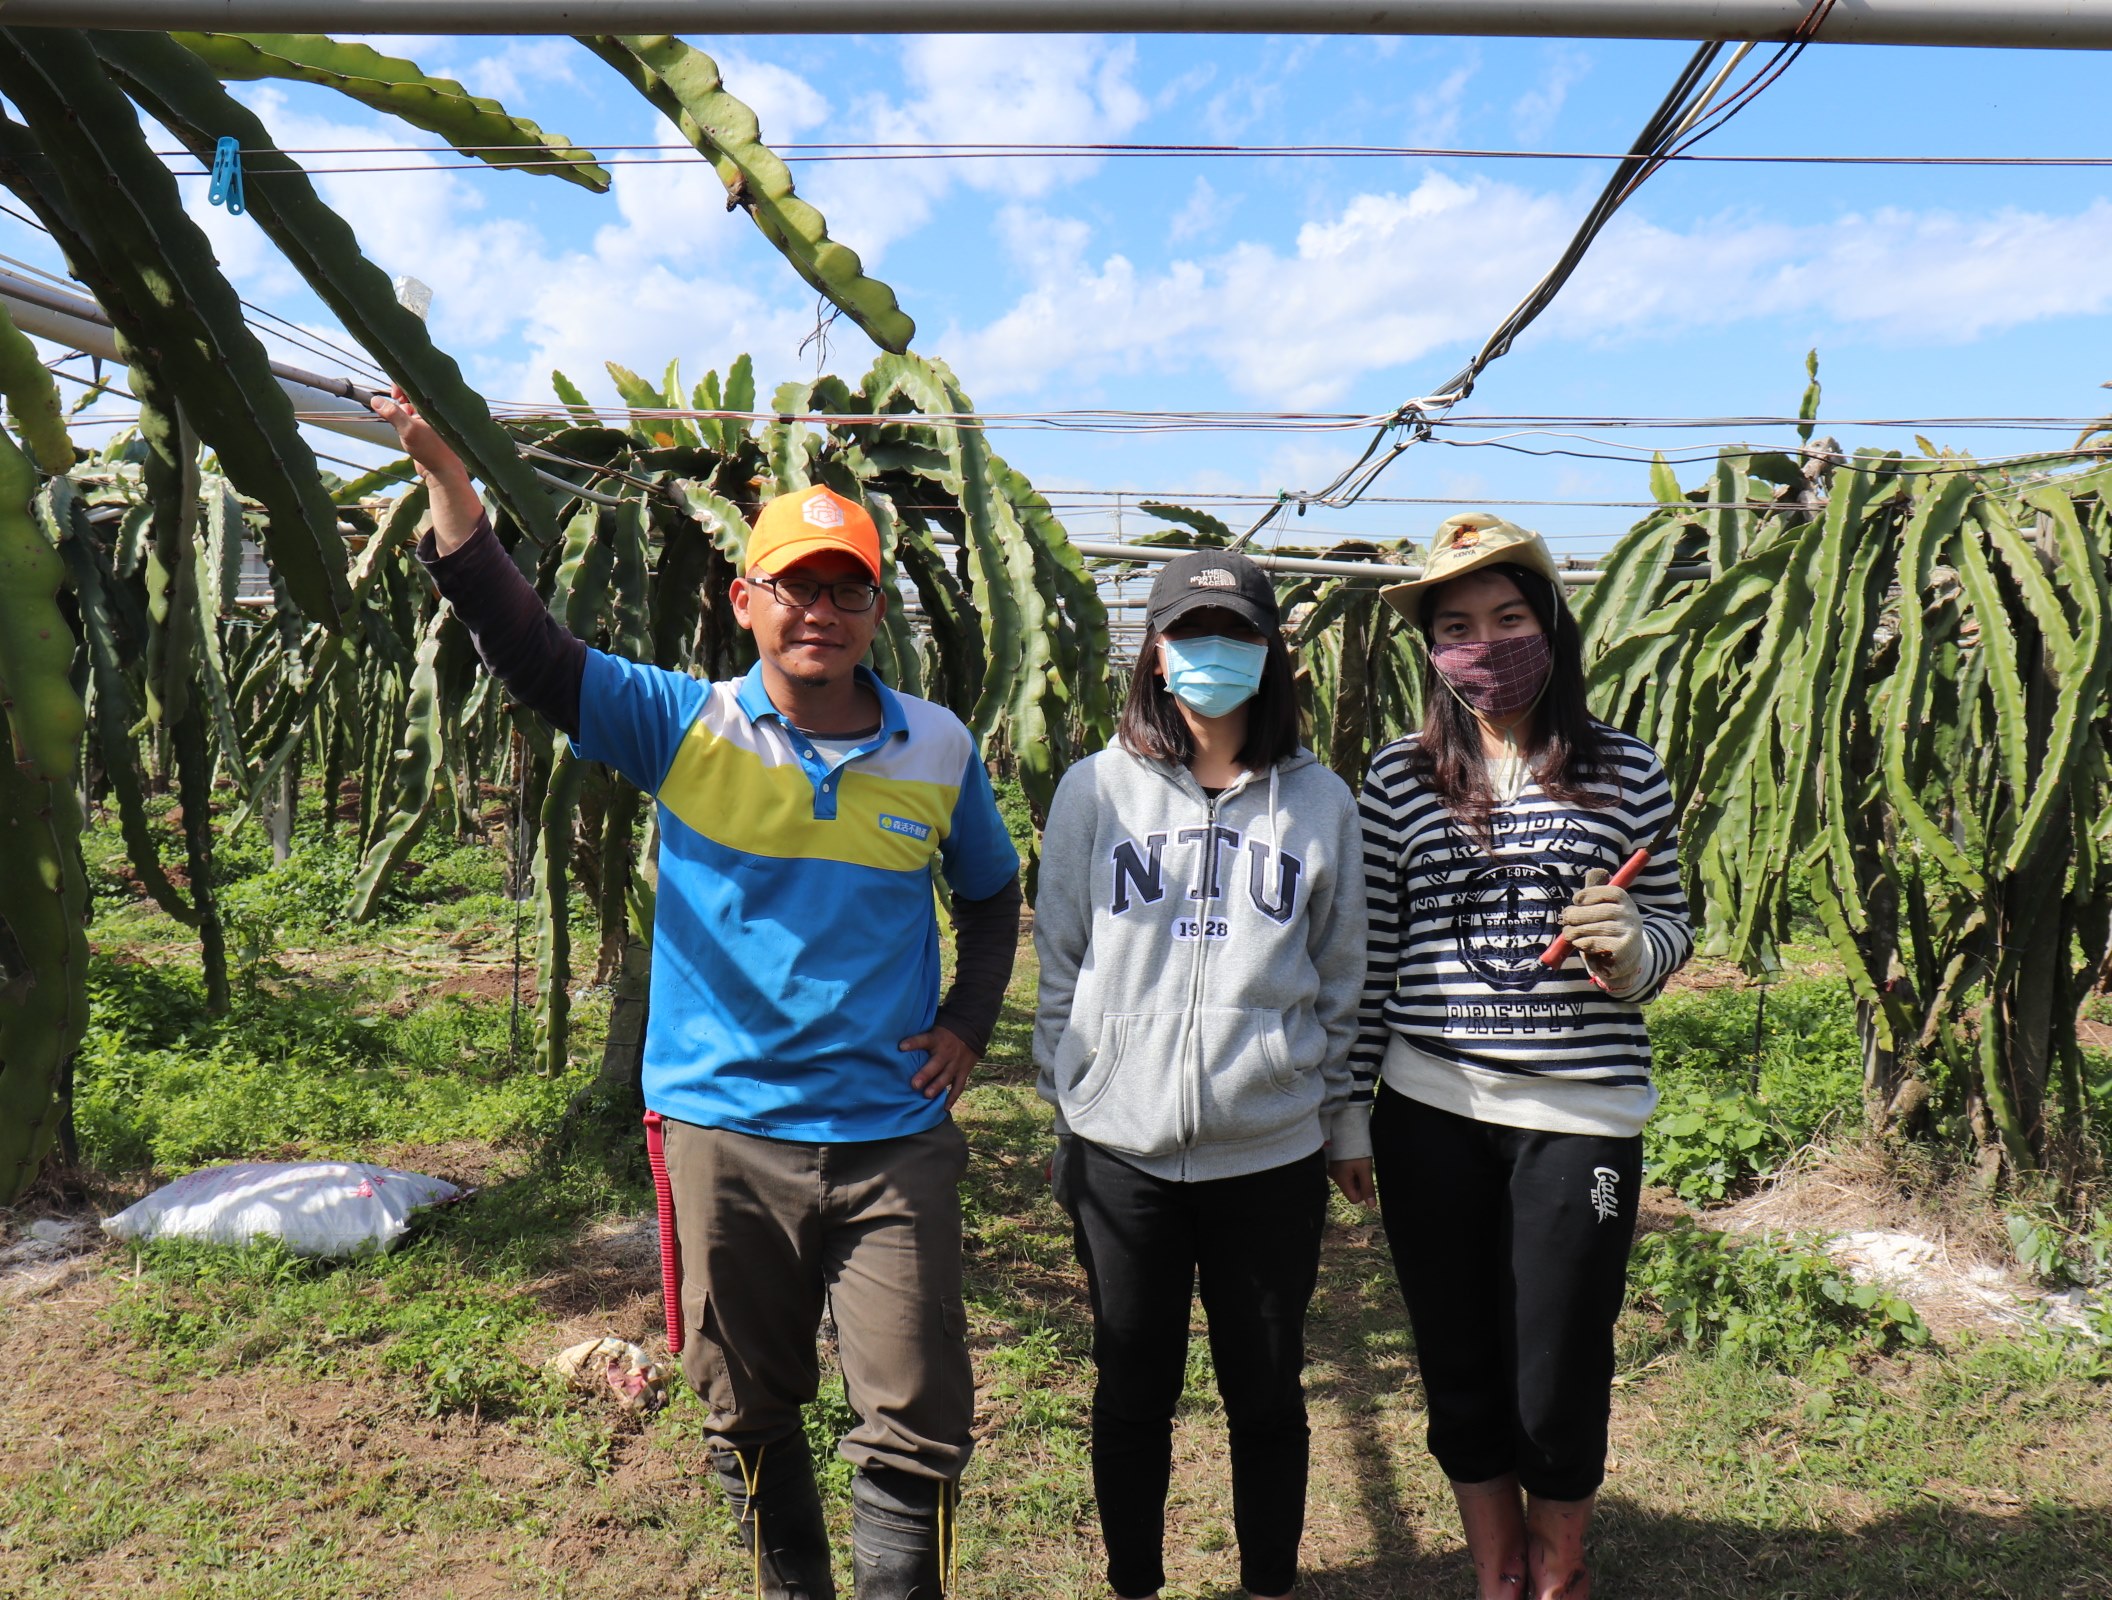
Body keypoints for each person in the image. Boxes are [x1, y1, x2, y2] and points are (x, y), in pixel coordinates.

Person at [373, 389, 1023, 1600]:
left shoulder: (938, 747)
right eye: (796, 585)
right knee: (746, 1405)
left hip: (892, 1138)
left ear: (878, 609)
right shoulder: (688, 724)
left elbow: (992, 896)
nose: (820, 610)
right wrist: (453, 493)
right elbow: (533, 650)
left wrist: (968, 1029)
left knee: (919, 1415)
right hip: (722, 1135)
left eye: (846, 589)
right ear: (747, 600)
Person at [1352, 513, 1693, 1600]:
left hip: (1579, 1113)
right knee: (1455, 1349)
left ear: (1550, 623)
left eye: (1508, 617)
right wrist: (1346, 1109)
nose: (1485, 645)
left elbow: (1675, 922)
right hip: (1428, 1107)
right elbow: (1371, 949)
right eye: (1458, 627)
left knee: (1558, 1362)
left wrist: (1634, 949)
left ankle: (1562, 1558)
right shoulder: (1399, 778)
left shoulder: (1626, 769)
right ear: (1434, 651)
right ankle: (1497, 1565)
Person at [1032, 550, 1371, 1600]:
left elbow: (1341, 981)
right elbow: (1061, 961)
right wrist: (1077, 1093)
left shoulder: (1323, 806)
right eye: (1191, 633)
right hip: (1122, 1152)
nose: (1212, 654)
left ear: (1271, 655)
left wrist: (1344, 1121)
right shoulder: (1095, 789)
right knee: (1133, 1387)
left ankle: (1269, 1583)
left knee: (1265, 1391)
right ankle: (1135, 1581)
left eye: (1235, 634)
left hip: (1267, 1152)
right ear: (1157, 651)